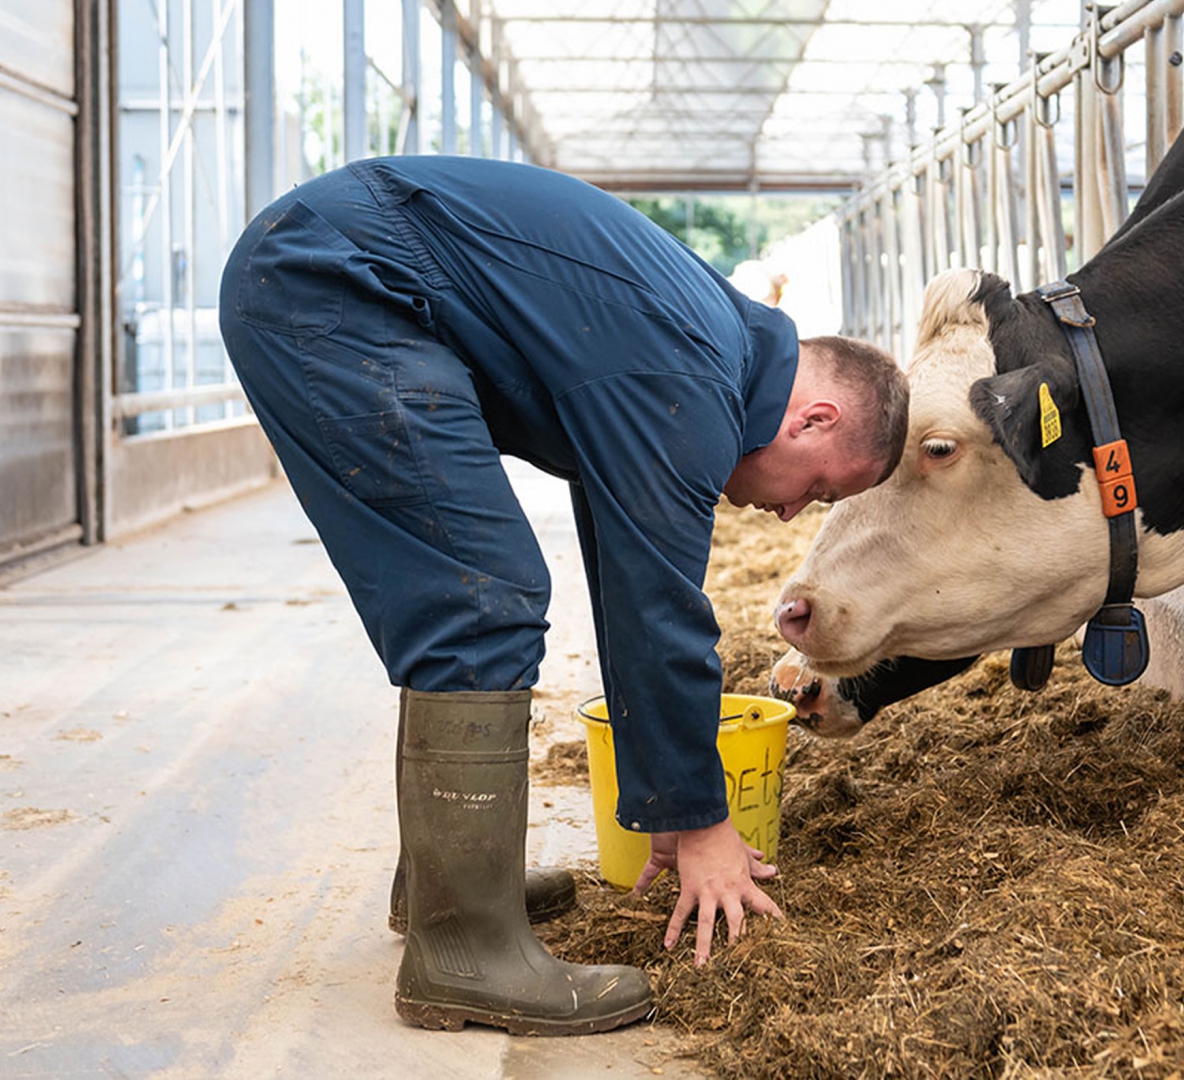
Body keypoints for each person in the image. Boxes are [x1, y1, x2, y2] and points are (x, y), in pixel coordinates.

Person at [216, 156, 908, 1037]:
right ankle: (463, 950)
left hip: (341, 267)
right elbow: (662, 609)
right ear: (814, 420)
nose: (787, 513)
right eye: (817, 489)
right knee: (480, 597)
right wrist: (700, 826)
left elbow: (631, 589)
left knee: (481, 588)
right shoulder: (688, 379)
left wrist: (667, 799)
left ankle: (448, 887)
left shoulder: (708, 351)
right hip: (336, 282)